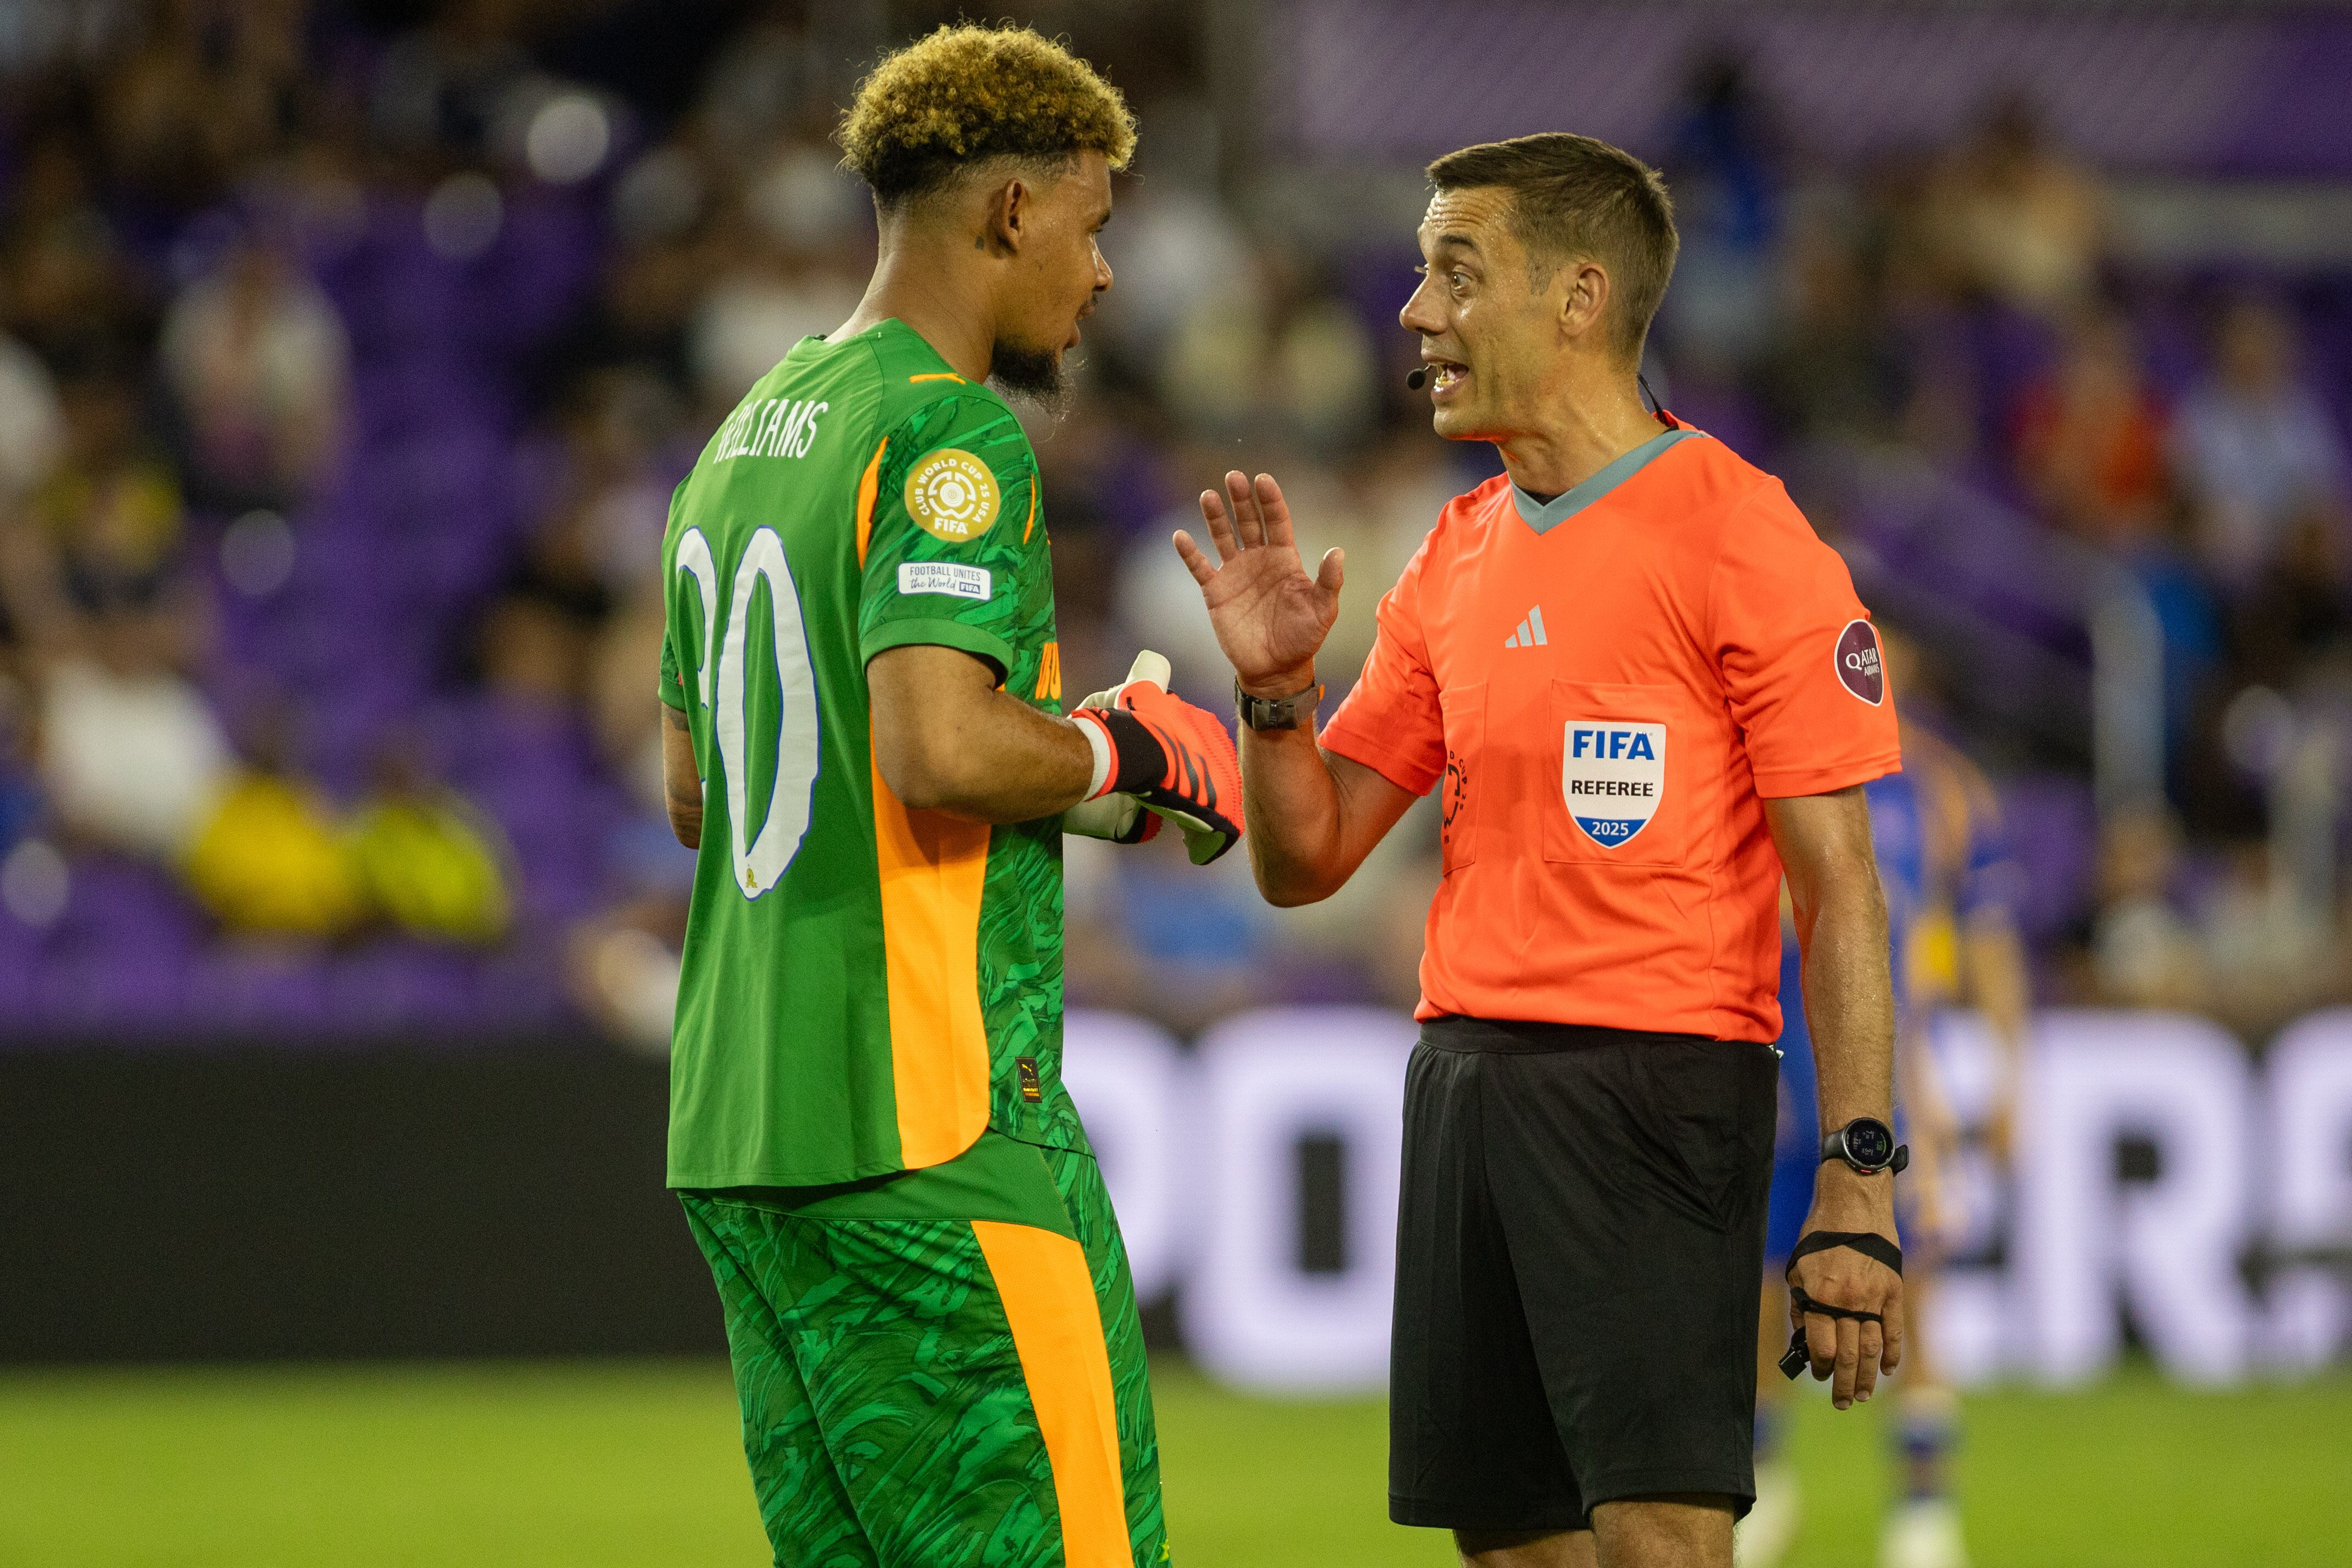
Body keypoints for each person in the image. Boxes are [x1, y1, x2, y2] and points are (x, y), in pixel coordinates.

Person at [1173, 133, 1907, 1568]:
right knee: (1509, 1546)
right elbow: (1304, 856)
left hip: (1651, 1083)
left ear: (1576, 299)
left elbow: (1840, 892)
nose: (1412, 312)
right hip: (1466, 1083)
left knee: (1658, 1544)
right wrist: (1272, 698)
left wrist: (1857, 1186)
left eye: (1454, 271)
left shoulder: (1740, 536)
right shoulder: (1452, 553)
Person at [654, 26, 1241, 1567]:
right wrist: (1128, 758)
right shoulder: (946, 428)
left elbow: (692, 795)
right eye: (1092, 225)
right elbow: (939, 748)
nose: (1102, 275)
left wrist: (1039, 740)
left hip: (744, 1139)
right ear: (1008, 214)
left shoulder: (737, 438)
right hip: (929, 1131)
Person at [1741, 626, 2031, 1568]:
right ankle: (1760, 1484)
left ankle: (1922, 1512)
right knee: (1755, 1293)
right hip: (1773, 1059)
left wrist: (2005, 1068)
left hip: (1896, 1076)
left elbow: (1985, 942)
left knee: (1913, 1286)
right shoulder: (1767, 761)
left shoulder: (1943, 789)